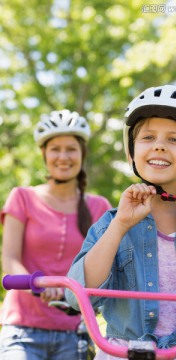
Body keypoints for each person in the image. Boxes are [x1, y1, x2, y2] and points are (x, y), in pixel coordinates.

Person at [65, 85, 176, 360]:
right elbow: (77, 298)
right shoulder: (111, 223)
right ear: (131, 153)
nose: (159, 145)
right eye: (148, 137)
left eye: (174, 139)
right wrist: (121, 225)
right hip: (123, 353)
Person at [0, 109, 112, 360]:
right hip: (22, 328)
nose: (63, 156)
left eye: (71, 149)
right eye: (55, 149)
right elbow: (9, 260)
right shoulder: (22, 197)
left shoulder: (99, 207)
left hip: (75, 331)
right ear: (44, 154)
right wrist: (39, 285)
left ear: (82, 154)